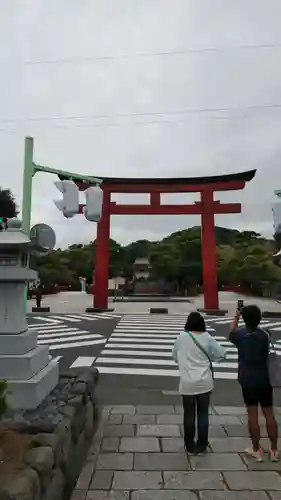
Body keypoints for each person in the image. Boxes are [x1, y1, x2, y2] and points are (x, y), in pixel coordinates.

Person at [229, 304, 279, 462]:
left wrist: (236, 316)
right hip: (264, 378)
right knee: (269, 413)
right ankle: (274, 449)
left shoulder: (239, 335)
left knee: (252, 414)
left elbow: (231, 332)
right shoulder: (265, 335)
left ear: (244, 319)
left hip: (247, 379)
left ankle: (256, 449)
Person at [172, 311, 226, 455]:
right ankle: (202, 444)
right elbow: (222, 353)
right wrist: (210, 358)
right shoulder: (207, 338)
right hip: (204, 383)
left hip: (187, 383)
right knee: (203, 414)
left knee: (188, 414)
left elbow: (174, 356)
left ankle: (189, 445)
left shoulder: (181, 338)